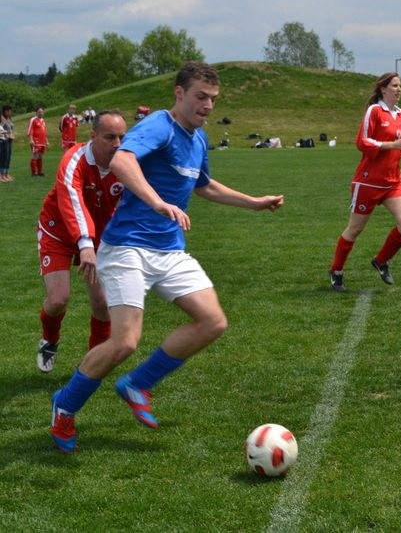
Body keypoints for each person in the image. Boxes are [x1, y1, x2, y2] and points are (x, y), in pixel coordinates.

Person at [48, 61, 285, 453]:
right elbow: (122, 161)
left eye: (213, 99)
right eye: (200, 97)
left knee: (212, 321)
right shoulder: (160, 124)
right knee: (124, 342)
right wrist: (158, 202)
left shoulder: (198, 139)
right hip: (127, 247)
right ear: (179, 93)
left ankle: (137, 384)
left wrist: (253, 202)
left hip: (169, 250)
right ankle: (65, 406)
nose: (208, 105)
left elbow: (204, 186)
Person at [36, 110, 128, 373]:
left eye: (121, 137)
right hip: (58, 231)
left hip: (99, 237)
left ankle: (91, 366)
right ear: (93, 135)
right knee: (58, 299)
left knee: (102, 304)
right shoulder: (74, 159)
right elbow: (72, 201)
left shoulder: (126, 164)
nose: (117, 144)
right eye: (110, 137)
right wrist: (85, 244)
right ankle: (49, 340)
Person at [328, 72, 401, 292]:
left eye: (400, 85)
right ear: (383, 89)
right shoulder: (374, 111)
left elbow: (396, 145)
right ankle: (336, 271)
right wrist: (391, 146)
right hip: (369, 182)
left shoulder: (400, 114)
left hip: (393, 182)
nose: (399, 89)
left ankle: (381, 261)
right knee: (355, 229)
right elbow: (362, 142)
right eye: (394, 85)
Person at [28, 106, 49, 177]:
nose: (41, 113)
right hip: (36, 141)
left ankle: (40, 172)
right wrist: (31, 139)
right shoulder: (33, 119)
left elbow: (44, 131)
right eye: (39, 112)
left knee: (40, 156)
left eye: (42, 111)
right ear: (36, 112)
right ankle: (34, 173)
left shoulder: (43, 120)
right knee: (35, 156)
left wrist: (47, 141)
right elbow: (30, 130)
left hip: (42, 141)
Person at [0, 104, 15, 182]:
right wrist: (8, 135)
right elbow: (1, 129)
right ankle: (1, 175)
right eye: (9, 111)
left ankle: (6, 174)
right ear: (5, 111)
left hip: (9, 140)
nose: (10, 113)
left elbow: (10, 129)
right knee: (3, 158)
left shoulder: (9, 119)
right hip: (3, 140)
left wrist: (11, 135)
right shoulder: (2, 118)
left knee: (8, 158)